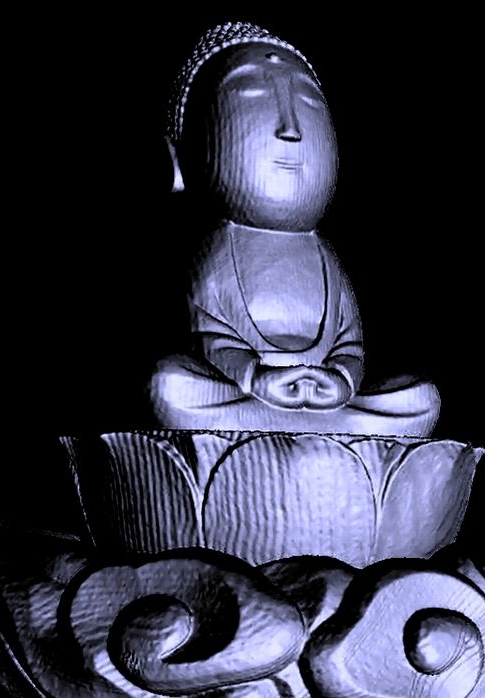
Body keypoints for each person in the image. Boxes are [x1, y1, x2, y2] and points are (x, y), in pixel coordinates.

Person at [151, 23, 440, 436]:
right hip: (248, 394)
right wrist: (255, 377)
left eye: (307, 104)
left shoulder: (323, 254)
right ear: (180, 161)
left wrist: (341, 381)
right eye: (251, 101)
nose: (290, 129)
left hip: (327, 401)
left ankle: (307, 430)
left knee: (419, 397)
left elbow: (349, 344)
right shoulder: (213, 250)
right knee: (169, 385)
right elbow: (210, 337)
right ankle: (310, 435)